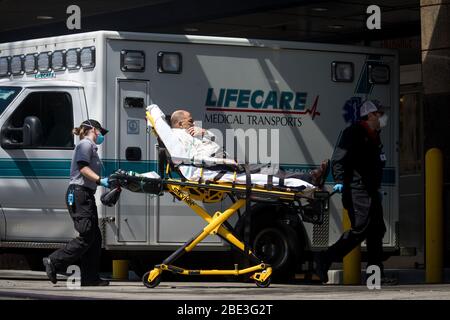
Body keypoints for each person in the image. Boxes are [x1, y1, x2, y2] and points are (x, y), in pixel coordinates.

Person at [314, 100, 398, 285]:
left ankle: (375, 276)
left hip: (370, 191)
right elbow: (338, 159)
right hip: (357, 190)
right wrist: (339, 181)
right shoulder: (353, 133)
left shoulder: (375, 135)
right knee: (361, 229)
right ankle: (325, 257)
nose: (383, 117)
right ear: (370, 115)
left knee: (376, 230)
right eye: (379, 113)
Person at [169, 109, 329, 187]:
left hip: (222, 163)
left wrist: (204, 132)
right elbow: (198, 158)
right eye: (190, 121)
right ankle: (312, 178)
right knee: (269, 170)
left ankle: (310, 177)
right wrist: (224, 160)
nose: (194, 123)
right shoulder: (180, 136)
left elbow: (212, 142)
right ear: (180, 123)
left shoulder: (190, 134)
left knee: (270, 168)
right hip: (220, 166)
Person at [42, 119, 111, 286]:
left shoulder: (91, 148)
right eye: (101, 132)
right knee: (87, 235)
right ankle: (54, 261)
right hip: (79, 194)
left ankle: (90, 277)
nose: (102, 135)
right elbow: (83, 168)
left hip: (85, 194)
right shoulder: (85, 145)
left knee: (95, 237)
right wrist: (101, 180)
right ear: (93, 130)